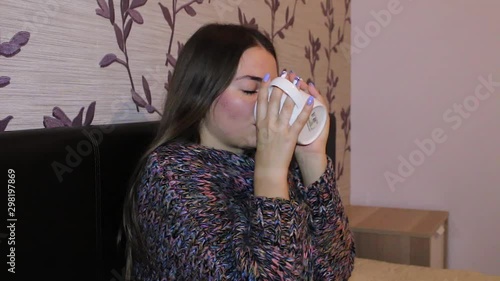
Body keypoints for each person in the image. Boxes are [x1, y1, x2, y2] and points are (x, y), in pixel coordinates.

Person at [121, 23, 355, 280]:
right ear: (201, 92)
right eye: (251, 90)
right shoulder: (170, 175)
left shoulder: (267, 161)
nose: (267, 104)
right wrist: (271, 172)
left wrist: (312, 158)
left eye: (271, 91)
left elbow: (336, 271)